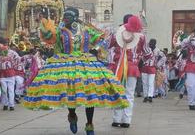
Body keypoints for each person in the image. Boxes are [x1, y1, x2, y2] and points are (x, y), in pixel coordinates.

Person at [23, 7, 128, 135]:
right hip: (66, 64)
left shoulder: (86, 30)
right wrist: (44, 22)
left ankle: (89, 124)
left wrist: (100, 44)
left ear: (76, 17)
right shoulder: (59, 31)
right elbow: (48, 36)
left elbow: (101, 39)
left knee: (90, 93)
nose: (65, 18)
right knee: (70, 93)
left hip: (86, 64)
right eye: (64, 16)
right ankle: (72, 116)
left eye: (68, 16)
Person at [106, 14, 152, 128]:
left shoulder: (117, 33)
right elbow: (148, 54)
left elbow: (107, 45)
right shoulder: (141, 36)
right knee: (129, 94)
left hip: (118, 67)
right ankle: (126, 120)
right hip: (133, 68)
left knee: (118, 92)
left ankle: (116, 119)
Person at [141, 39, 166, 103]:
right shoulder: (146, 50)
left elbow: (164, 58)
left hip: (152, 68)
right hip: (145, 68)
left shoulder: (158, 51)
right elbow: (141, 57)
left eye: (152, 43)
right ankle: (145, 96)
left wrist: (157, 65)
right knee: (144, 83)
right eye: (150, 43)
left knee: (151, 83)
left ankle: (150, 96)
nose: (151, 44)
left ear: (155, 43)